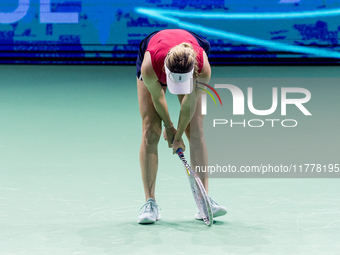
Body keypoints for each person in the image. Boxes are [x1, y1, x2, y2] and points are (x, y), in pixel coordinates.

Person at [136, 29, 227, 224]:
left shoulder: (203, 68)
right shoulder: (149, 66)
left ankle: (204, 202)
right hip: (156, 57)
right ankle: (149, 202)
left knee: (195, 130)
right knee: (151, 130)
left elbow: (189, 101)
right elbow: (158, 96)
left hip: (188, 65)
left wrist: (178, 137)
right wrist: (169, 128)